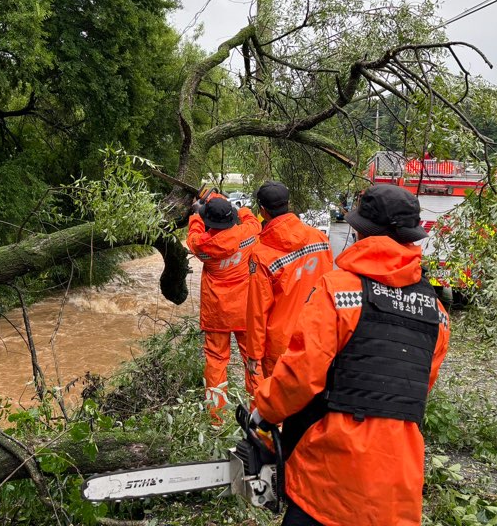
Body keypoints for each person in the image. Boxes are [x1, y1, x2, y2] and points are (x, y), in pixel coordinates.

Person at [252, 184, 450, 526]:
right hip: (397, 483)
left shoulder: (338, 290)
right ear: (412, 238)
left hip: (329, 476)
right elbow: (415, 390)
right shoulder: (437, 313)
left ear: (359, 231)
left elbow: (300, 376)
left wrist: (263, 411)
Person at [245, 181, 334, 393]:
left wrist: (253, 355)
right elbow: (330, 283)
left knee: (279, 403)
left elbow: (257, 311)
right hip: (319, 334)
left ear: (262, 211)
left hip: (282, 345)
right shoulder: (319, 238)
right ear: (289, 204)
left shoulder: (262, 255)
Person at [186, 191, 261, 421]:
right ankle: (260, 414)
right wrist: (227, 203)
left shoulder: (201, 246)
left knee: (216, 361)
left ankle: (216, 418)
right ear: (230, 219)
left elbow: (194, 233)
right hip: (245, 309)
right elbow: (251, 220)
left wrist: (196, 213)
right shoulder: (248, 235)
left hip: (217, 312)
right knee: (252, 359)